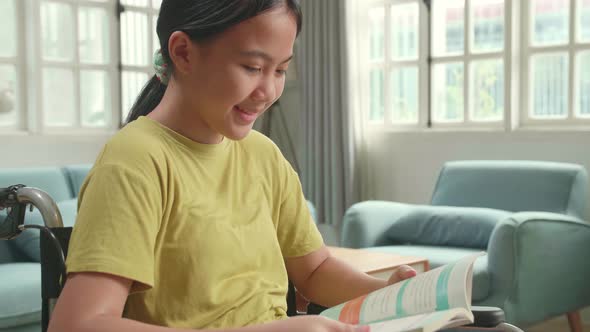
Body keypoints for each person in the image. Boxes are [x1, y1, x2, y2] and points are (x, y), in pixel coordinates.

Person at [48, 1, 417, 331]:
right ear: (183, 52)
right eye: (253, 66)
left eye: (280, 70)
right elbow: (78, 323)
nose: (268, 91)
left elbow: (314, 270)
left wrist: (387, 293)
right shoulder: (136, 161)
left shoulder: (263, 155)